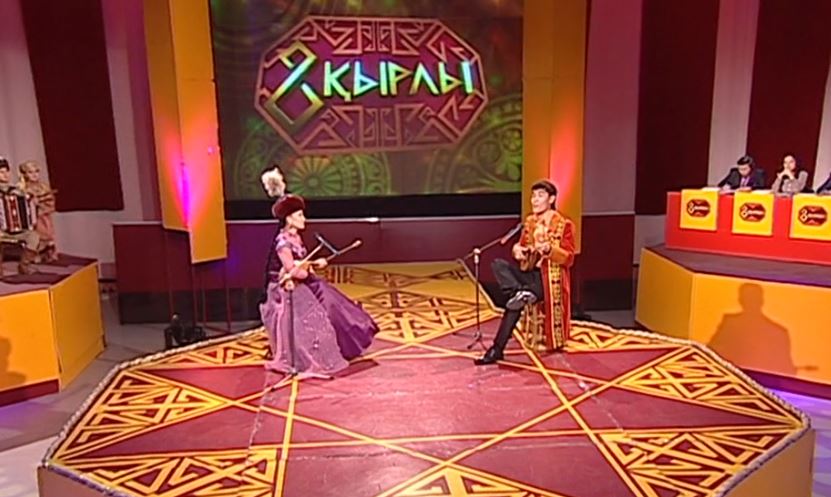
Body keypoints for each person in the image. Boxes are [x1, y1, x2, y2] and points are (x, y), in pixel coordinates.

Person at [259, 184, 377, 376]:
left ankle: (347, 342)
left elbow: (302, 265)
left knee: (334, 303)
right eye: (299, 215)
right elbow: (292, 270)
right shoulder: (283, 242)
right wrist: (309, 268)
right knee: (325, 304)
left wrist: (314, 264)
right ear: (289, 219)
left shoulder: (296, 238)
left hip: (303, 281)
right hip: (285, 287)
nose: (304, 219)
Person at [475, 179, 576, 365]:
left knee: (513, 307)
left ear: (552, 199)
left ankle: (497, 349)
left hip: (547, 280)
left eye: (540, 196)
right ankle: (519, 292)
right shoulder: (529, 222)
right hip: (529, 275)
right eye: (533, 196)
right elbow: (520, 247)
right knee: (498, 264)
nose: (534, 200)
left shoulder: (564, 225)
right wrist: (517, 251)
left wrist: (550, 250)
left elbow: (569, 259)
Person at [0, 157, 39, 274]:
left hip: (17, 230)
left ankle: (24, 265)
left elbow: (29, 205)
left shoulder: (17, 190)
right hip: (1, 231)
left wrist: (32, 202)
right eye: (1, 172)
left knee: (34, 236)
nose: (5, 175)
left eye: (7, 171)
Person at [17, 160, 58, 262]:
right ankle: (34, 254)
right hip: (31, 219)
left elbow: (50, 202)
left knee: (47, 233)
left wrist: (41, 204)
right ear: (25, 174)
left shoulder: (43, 187)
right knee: (35, 236)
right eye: (30, 172)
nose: (34, 175)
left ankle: (48, 253)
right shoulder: (22, 188)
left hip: (43, 216)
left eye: (36, 171)